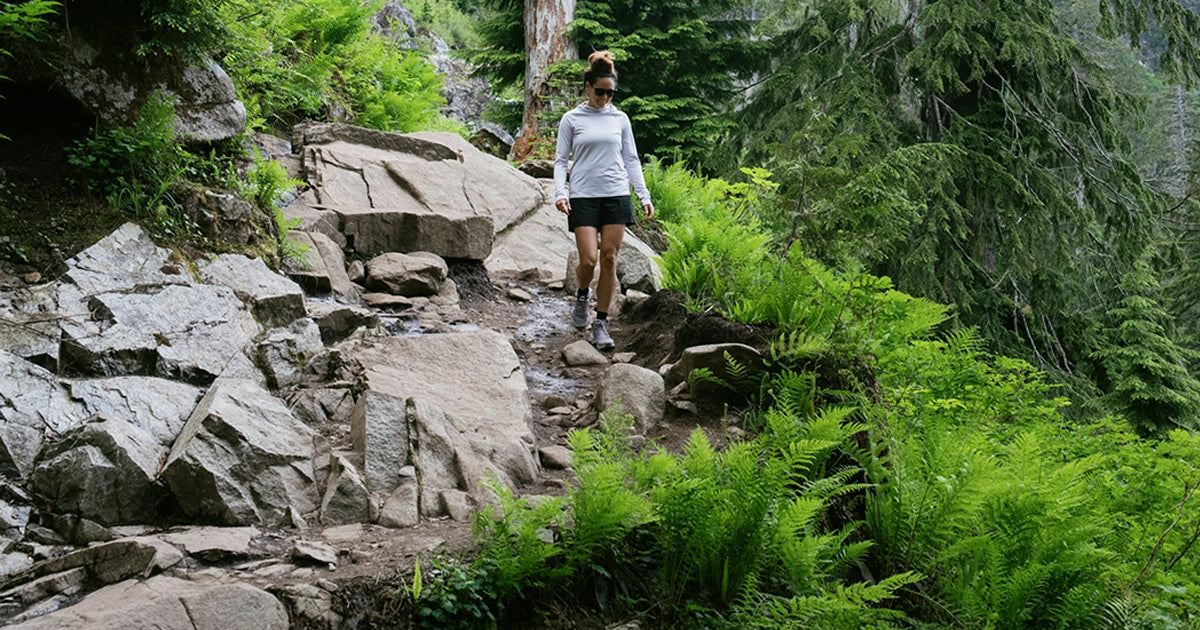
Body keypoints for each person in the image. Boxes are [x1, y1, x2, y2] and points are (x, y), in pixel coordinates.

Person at [553, 50, 655, 351]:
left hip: (615, 193)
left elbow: (631, 159)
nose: (606, 98)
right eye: (600, 92)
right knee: (588, 259)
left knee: (610, 258)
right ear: (588, 87)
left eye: (611, 93)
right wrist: (561, 192)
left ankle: (601, 323)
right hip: (584, 194)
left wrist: (643, 195)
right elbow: (560, 161)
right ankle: (582, 293)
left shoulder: (620, 119)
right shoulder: (572, 119)